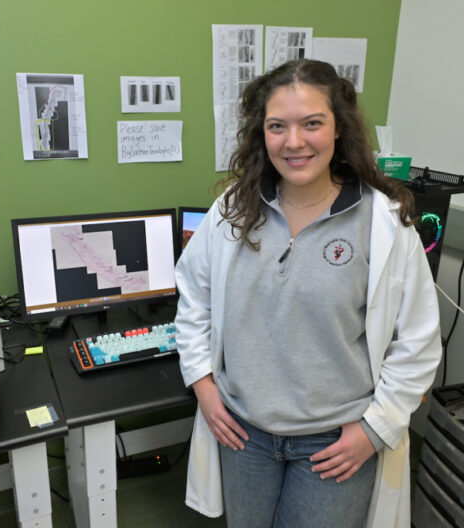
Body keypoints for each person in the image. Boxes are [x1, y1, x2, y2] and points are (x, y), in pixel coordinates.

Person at [174, 59, 441, 528]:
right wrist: (204, 388)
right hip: (243, 432)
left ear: (339, 130)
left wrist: (374, 430)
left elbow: (416, 342)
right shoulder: (232, 210)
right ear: (263, 134)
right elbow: (194, 302)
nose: (293, 142)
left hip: (335, 443)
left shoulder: (384, 223)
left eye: (312, 123)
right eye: (277, 126)